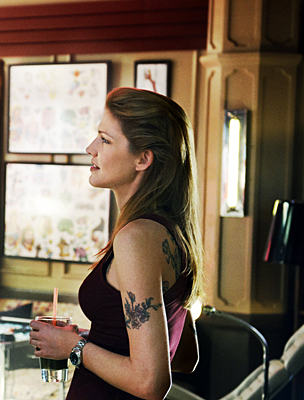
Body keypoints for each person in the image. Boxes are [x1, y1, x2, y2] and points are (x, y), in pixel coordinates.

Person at [29, 87, 203, 399]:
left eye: (104, 140)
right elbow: (184, 356)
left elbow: (151, 383)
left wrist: (74, 347)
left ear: (143, 159)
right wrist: (93, 340)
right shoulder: (171, 233)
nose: (90, 148)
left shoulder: (136, 238)